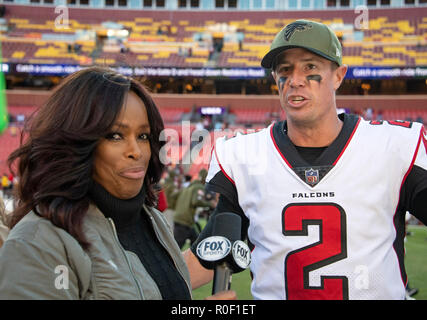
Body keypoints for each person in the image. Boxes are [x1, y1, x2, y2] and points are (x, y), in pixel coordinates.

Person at [187, 19, 427, 300]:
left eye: (310, 67)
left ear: (338, 76)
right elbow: (208, 257)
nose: (295, 80)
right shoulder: (246, 157)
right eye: (285, 70)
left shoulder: (392, 147)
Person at [0, 66, 234, 300]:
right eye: (115, 135)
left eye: (143, 136)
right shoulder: (38, 243)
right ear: (76, 142)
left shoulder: (151, 219)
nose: (136, 152)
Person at [173, 169, 214, 249]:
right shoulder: (198, 187)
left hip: (181, 218)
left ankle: (196, 258)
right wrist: (210, 204)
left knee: (195, 242)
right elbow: (196, 201)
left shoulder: (189, 186)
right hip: (184, 221)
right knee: (177, 247)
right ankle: (170, 261)